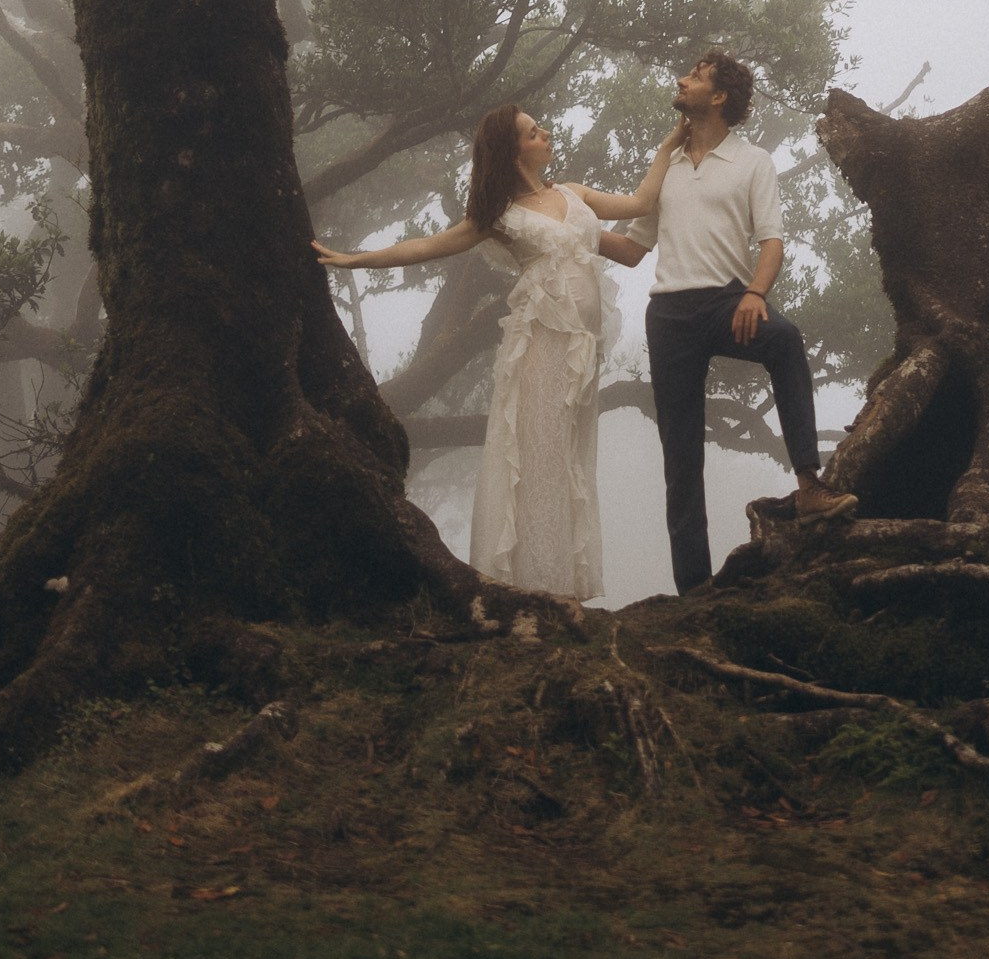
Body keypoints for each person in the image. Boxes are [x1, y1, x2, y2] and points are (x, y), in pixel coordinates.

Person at [312, 107, 674, 601]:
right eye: (534, 131)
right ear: (513, 149)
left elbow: (639, 204)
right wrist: (356, 259)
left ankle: (561, 585)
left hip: (582, 349)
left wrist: (671, 146)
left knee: (568, 454)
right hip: (540, 343)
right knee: (538, 454)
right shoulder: (500, 214)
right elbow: (428, 246)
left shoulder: (574, 193)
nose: (546, 133)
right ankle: (537, 588)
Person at [632, 48, 857, 591]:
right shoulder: (668, 164)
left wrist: (756, 293)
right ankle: (694, 590)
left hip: (727, 301)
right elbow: (630, 246)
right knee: (679, 457)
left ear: (720, 95)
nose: (681, 80)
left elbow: (772, 240)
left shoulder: (753, 161)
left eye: (694, 76)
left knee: (784, 339)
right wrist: (563, 223)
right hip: (668, 314)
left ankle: (809, 487)